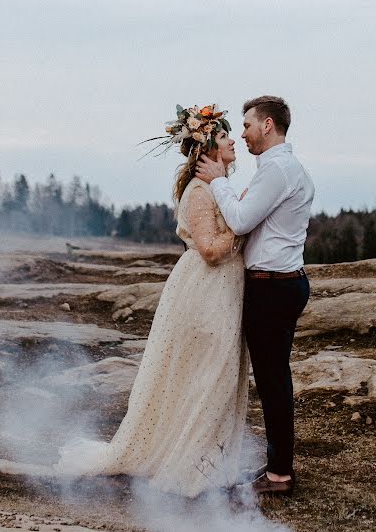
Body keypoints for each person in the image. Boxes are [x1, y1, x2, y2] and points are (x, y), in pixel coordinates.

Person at [55, 104, 250, 498]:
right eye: (226, 136)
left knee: (220, 377)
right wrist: (245, 228)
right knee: (207, 377)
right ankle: (189, 469)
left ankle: (207, 462)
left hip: (225, 292)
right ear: (209, 146)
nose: (234, 141)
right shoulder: (199, 191)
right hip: (206, 294)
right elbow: (211, 251)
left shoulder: (218, 187)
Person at [195, 95, 314, 495]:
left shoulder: (278, 170)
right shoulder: (280, 169)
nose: (242, 134)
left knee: (273, 381)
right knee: (273, 379)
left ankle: (279, 474)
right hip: (279, 283)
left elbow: (242, 218)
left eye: (246, 125)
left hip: (274, 287)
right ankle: (277, 467)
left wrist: (218, 183)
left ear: (267, 125)